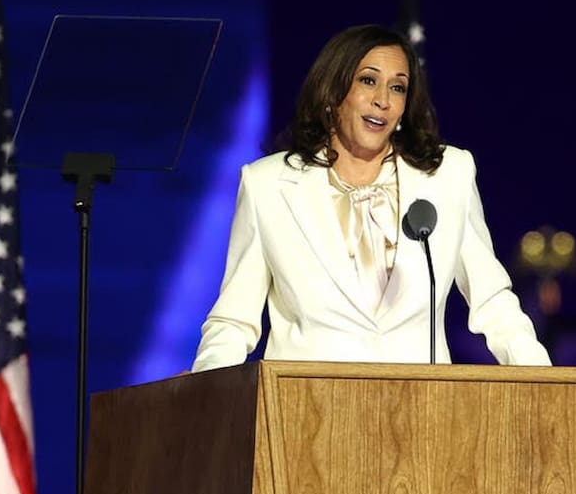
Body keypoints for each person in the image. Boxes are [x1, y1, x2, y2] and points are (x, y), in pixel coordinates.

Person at [192, 24, 550, 370]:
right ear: (332, 93)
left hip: (424, 411)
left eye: (398, 87)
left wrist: (545, 383)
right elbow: (234, 321)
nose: (383, 100)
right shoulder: (266, 185)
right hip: (305, 414)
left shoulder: (448, 176)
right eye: (368, 81)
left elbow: (492, 301)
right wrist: (204, 395)